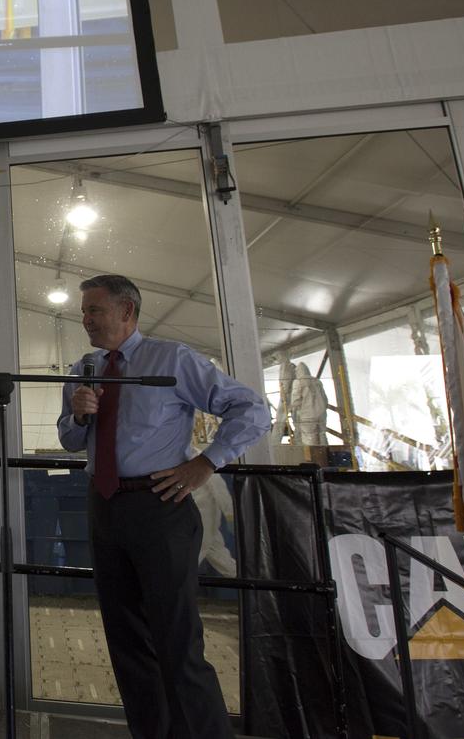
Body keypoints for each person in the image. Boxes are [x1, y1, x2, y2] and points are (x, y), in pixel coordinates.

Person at [56, 274, 269, 739]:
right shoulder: (83, 368)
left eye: (95, 310)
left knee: (177, 641)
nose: (86, 319)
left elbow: (252, 410)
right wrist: (78, 415)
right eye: (84, 311)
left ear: (127, 311)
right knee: (127, 643)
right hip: (104, 507)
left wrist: (206, 463)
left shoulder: (172, 359)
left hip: (160, 505)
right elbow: (70, 440)